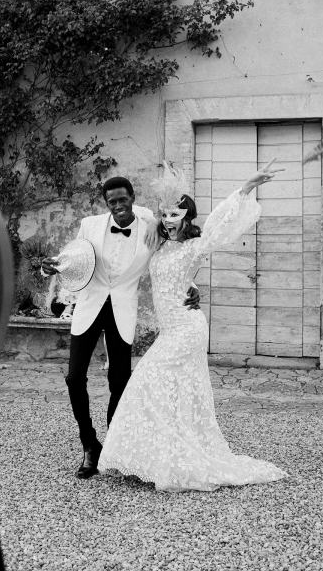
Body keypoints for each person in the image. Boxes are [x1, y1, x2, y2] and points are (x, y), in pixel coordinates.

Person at [98, 161, 288, 491]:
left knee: (148, 379)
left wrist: (246, 187)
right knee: (173, 391)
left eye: (176, 214)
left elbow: (219, 224)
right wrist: (194, 288)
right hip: (170, 329)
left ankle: (174, 460)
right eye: (165, 213)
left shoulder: (193, 247)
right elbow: (135, 219)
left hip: (187, 329)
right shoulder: (156, 243)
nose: (169, 219)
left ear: (186, 216)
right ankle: (160, 457)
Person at [41, 176, 200, 479]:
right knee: (74, 378)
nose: (118, 206)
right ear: (106, 203)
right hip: (89, 306)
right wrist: (50, 265)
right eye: (112, 202)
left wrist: (191, 285)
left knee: (120, 380)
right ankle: (89, 444)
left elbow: (173, 257)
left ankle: (114, 444)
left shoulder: (152, 224)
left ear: (131, 197)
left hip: (122, 310)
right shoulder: (89, 225)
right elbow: (72, 259)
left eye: (122, 199)